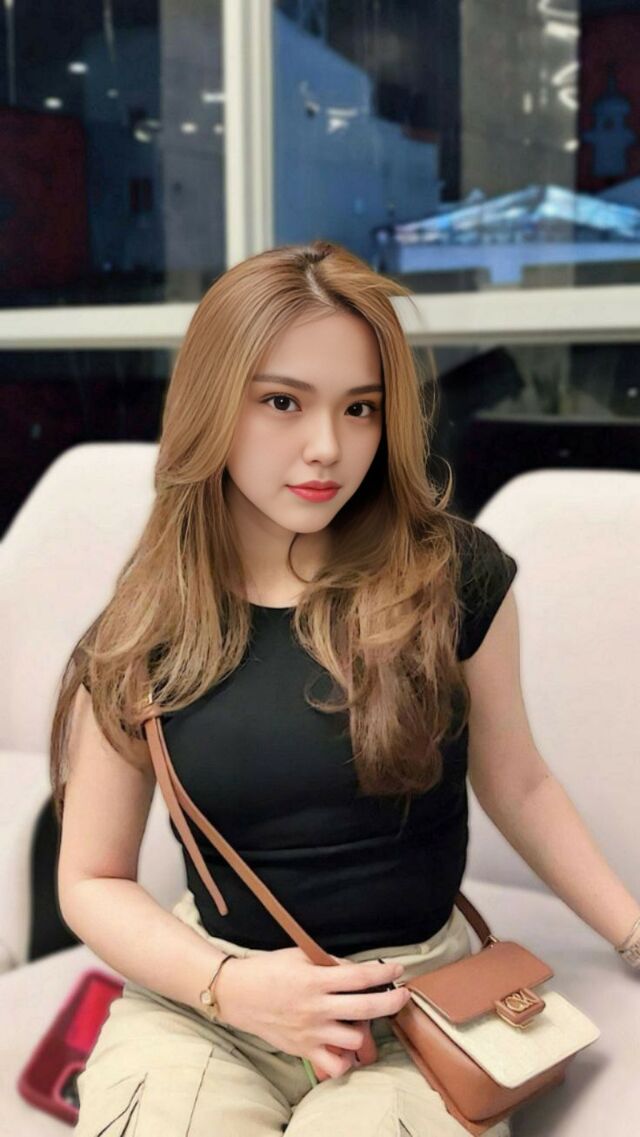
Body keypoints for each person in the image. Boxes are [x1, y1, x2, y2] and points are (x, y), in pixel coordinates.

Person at [50, 240, 640, 1137]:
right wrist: (232, 986)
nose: (327, 446)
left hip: (415, 1010)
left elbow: (518, 781)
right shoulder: (145, 627)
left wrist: (632, 929)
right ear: (212, 400)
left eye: (360, 407)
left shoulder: (450, 577)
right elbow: (91, 876)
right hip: (208, 1010)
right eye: (283, 401)